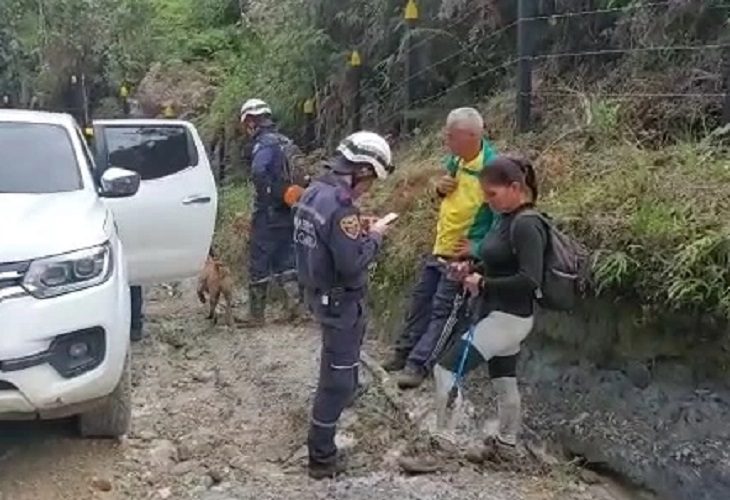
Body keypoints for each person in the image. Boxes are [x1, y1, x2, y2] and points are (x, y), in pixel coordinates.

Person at [430, 155, 545, 462]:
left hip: (508, 318)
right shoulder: (507, 218)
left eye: (493, 195)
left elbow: (530, 279)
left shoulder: (527, 224)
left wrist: (483, 284)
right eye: (486, 196)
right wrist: (471, 268)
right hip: (501, 315)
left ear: (515, 187)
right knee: (504, 380)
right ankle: (506, 444)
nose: (489, 202)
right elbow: (500, 262)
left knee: (446, 369)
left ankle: (441, 444)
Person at [294, 131, 394, 479]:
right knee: (334, 382)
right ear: (363, 171)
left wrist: (357, 231)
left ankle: (347, 392)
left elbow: (323, 243)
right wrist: (376, 236)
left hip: (317, 293)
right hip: (340, 302)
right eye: (371, 182)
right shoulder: (340, 206)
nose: (369, 190)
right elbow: (351, 263)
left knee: (336, 369)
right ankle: (321, 457)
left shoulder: (313, 193)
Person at [383, 107, 497, 390]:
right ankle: (403, 352)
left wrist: (478, 249)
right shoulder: (456, 161)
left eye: (452, 136)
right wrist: (439, 189)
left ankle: (418, 366)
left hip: (462, 257)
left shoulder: (493, 171)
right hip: (440, 246)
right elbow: (445, 199)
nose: (446, 141)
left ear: (471, 136)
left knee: (443, 311)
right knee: (420, 301)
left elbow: (503, 221)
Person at [237, 98, 303, 326]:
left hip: (269, 212)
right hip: (289, 208)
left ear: (251, 121)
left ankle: (256, 315)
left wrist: (267, 195)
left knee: (259, 259)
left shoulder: (264, 144)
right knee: (287, 257)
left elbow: (258, 170)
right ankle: (296, 307)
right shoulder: (285, 141)